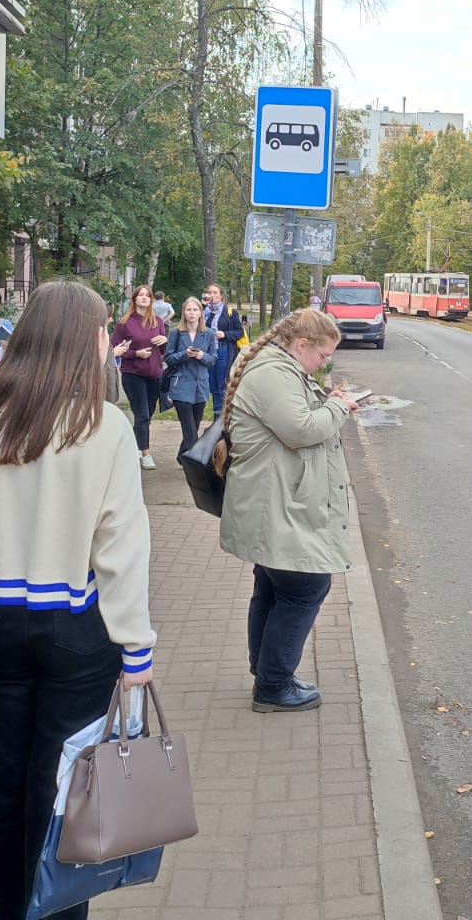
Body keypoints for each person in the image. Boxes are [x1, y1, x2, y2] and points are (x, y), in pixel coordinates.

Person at [0, 280, 155, 920]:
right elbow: (121, 550)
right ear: (85, 339)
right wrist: (137, 648)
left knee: (1, 785)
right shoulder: (105, 429)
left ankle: (6, 910)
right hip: (76, 630)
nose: (109, 338)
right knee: (64, 791)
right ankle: (55, 912)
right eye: (103, 329)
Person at [217, 309, 359, 713]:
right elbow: (300, 430)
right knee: (305, 587)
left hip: (274, 500)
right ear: (301, 345)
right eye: (322, 356)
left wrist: (328, 402)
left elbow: (294, 418)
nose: (324, 363)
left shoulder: (278, 368)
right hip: (275, 502)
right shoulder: (273, 373)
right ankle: (273, 685)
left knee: (275, 585)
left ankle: (267, 671)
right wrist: (338, 409)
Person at [111, 285, 168, 470]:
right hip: (133, 374)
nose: (144, 298)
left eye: (147, 295)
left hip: (154, 373)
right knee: (142, 414)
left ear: (151, 300)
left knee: (147, 414)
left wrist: (164, 341)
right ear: (134, 299)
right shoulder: (124, 323)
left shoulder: (158, 321)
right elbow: (113, 351)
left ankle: (135, 445)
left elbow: (164, 351)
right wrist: (136, 353)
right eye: (140, 295)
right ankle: (145, 454)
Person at [162, 296, 218, 465]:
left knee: (194, 423)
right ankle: (197, 461)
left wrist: (202, 356)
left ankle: (182, 456)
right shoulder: (176, 333)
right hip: (181, 384)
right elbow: (169, 358)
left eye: (195, 310)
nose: (192, 313)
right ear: (183, 312)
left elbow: (213, 359)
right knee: (189, 429)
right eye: (189, 310)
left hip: (200, 385)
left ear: (201, 313)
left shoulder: (208, 333)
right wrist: (184, 354)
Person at [202, 283, 246, 418]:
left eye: (215, 292)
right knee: (211, 385)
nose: (212, 295)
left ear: (221, 296)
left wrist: (225, 335)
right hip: (207, 352)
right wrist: (202, 306)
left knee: (222, 386)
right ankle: (217, 418)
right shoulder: (202, 311)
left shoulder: (230, 312)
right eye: (209, 292)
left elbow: (239, 332)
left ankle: (220, 420)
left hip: (222, 351)